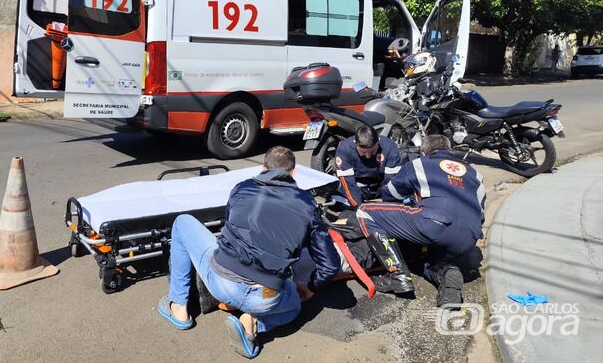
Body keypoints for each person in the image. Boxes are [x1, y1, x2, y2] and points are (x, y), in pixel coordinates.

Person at [156, 146, 340, 359]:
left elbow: (227, 224)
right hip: (266, 297)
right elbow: (330, 265)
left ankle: (180, 309)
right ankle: (253, 323)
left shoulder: (242, 187)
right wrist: (310, 286)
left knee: (182, 222)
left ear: (263, 168)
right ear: (294, 173)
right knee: (294, 307)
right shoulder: (308, 204)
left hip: (223, 282)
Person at [357, 135, 485, 307]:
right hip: (469, 237)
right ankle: (446, 273)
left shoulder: (420, 163)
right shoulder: (475, 173)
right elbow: (481, 211)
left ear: (424, 151)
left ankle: (398, 276)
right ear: (449, 150)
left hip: (435, 224)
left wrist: (410, 201)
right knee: (424, 259)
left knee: (365, 212)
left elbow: (392, 194)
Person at [334, 125, 402, 208]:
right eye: (363, 152)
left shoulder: (390, 147)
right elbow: (348, 183)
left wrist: (387, 207)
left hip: (381, 187)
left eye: (372, 151)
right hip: (359, 188)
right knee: (334, 201)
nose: (368, 156)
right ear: (356, 144)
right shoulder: (344, 149)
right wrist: (358, 207)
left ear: (378, 142)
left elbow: (392, 180)